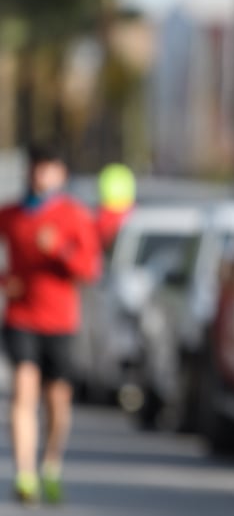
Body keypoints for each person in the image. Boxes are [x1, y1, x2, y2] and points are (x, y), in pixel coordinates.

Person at [0, 144, 103, 504]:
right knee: (23, 392)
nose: (39, 175)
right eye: (35, 168)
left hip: (60, 322)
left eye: (47, 168)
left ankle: (51, 465)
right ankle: (25, 474)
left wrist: (59, 248)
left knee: (57, 402)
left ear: (60, 174)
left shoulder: (73, 215)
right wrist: (4, 281)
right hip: (20, 317)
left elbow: (91, 269)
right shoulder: (11, 214)